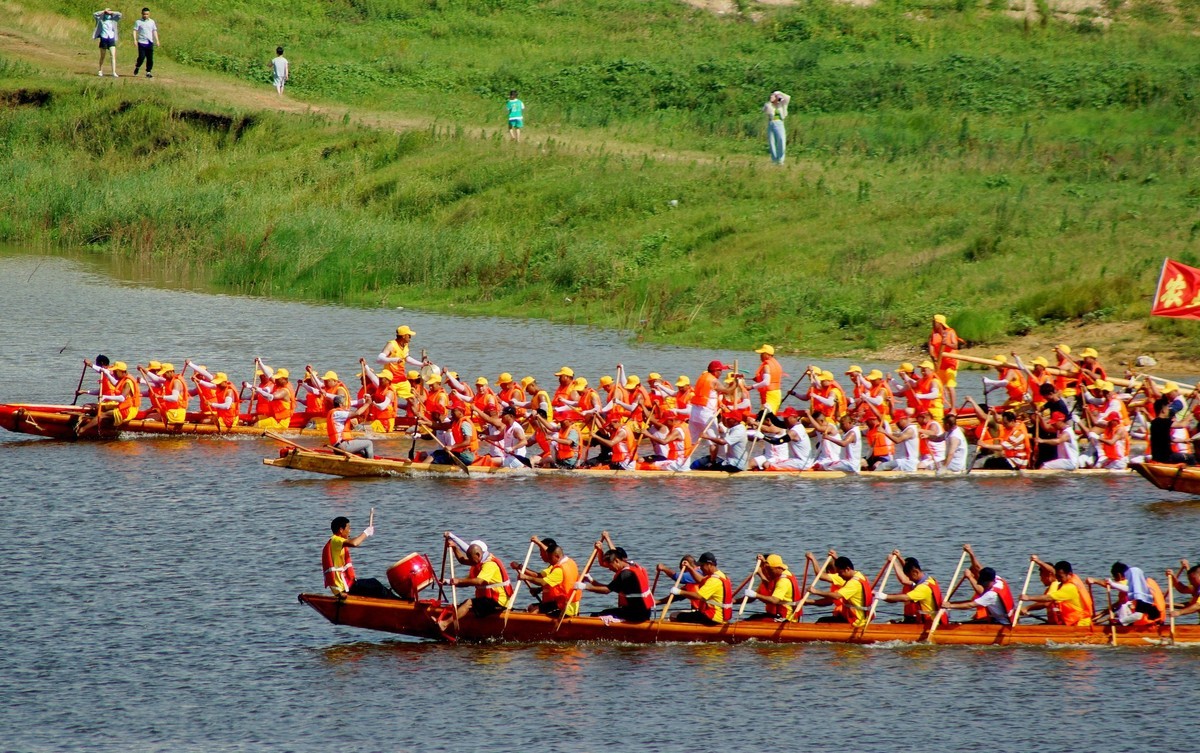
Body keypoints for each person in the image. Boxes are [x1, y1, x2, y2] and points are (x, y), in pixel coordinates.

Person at [437, 533, 513, 631]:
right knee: (462, 605)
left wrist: (457, 581)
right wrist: (448, 582)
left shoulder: (490, 565)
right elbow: (463, 563)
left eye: (471, 558)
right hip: (487, 600)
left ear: (478, 554)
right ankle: (458, 626)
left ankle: (445, 624)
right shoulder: (478, 565)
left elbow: (478, 581)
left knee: (469, 603)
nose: (470, 561)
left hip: (498, 602)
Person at [576, 532, 655, 623]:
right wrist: (591, 580)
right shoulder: (631, 566)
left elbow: (606, 590)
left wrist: (585, 587)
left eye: (610, 566)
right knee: (604, 612)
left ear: (617, 561)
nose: (609, 569)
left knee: (596, 616)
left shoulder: (625, 574)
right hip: (644, 612)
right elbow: (613, 554)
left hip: (636, 615)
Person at [944, 544, 1014, 625]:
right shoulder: (998, 580)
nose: (982, 585)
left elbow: (970, 605)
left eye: (983, 583)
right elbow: (978, 568)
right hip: (999, 618)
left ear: (988, 581)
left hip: (1002, 623)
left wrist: (950, 606)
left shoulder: (991, 595)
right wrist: (971, 553)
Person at [511, 536, 579, 617]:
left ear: (557, 556)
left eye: (550, 558)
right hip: (565, 603)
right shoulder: (570, 562)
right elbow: (558, 584)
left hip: (564, 606)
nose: (549, 561)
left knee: (535, 611)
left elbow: (542, 581)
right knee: (531, 607)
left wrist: (525, 577)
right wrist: (539, 590)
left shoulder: (559, 570)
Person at [1018, 556, 1093, 626]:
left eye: (1060, 577)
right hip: (1071, 622)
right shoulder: (1071, 578)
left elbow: (1048, 599)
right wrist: (1038, 561)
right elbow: (1052, 571)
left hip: (1079, 624)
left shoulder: (1070, 587)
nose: (1058, 579)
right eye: (1057, 576)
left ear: (1069, 574)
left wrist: (1028, 598)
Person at [806, 551, 873, 627]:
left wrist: (815, 591)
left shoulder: (853, 583)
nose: (839, 576)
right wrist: (836, 558)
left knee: (821, 622)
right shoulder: (859, 575)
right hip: (858, 617)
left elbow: (836, 596)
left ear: (847, 569)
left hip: (856, 620)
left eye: (840, 573)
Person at [877, 553, 946, 626]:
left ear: (916, 572)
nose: (909, 579)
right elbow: (898, 597)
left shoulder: (923, 587)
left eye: (909, 576)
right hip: (922, 621)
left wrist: (884, 596)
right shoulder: (929, 580)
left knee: (888, 625)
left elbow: (906, 597)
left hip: (929, 624)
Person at [75, 361, 140, 435]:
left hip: (128, 410)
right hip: (123, 406)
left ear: (122, 372)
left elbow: (122, 398)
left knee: (102, 414)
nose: (114, 373)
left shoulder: (128, 382)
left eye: (116, 371)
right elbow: (115, 383)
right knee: (98, 407)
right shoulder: (123, 379)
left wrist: (105, 397)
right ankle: (88, 418)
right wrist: (106, 374)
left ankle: (82, 430)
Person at [669, 552, 733, 625]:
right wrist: (689, 568)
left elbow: (698, 596)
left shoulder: (714, 580)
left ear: (709, 565)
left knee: (674, 616)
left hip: (711, 617)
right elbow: (701, 580)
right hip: (721, 616)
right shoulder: (720, 575)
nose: (700, 568)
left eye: (702, 565)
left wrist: (679, 592)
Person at [323, 515, 374, 598]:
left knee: (370, 587)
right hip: (343, 586)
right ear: (341, 530)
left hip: (343, 586)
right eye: (348, 528)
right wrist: (366, 533)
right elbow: (354, 543)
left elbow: (352, 541)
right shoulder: (336, 539)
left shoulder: (337, 542)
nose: (349, 531)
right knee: (374, 584)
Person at [743, 553, 802, 622]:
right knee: (754, 617)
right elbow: (770, 585)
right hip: (778, 615)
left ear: (778, 567)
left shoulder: (783, 581)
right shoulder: (784, 573)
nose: (768, 572)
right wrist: (763, 562)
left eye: (770, 570)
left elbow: (774, 600)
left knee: (751, 621)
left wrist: (755, 595)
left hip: (785, 617)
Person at [928, 314, 959, 410]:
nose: (932, 324)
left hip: (951, 363)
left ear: (939, 323)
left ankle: (953, 409)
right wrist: (934, 359)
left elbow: (955, 345)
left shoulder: (950, 332)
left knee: (950, 386)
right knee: (935, 385)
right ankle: (937, 407)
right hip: (940, 364)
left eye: (934, 322)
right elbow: (931, 348)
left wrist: (946, 343)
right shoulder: (933, 334)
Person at [750, 344, 784, 414]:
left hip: (769, 394)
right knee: (771, 415)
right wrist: (758, 379)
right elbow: (772, 379)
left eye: (762, 354)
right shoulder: (776, 363)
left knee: (765, 416)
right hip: (777, 393)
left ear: (767, 354)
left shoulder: (767, 366)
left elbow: (766, 382)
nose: (760, 356)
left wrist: (751, 387)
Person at [93, 8, 122, 77]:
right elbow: (95, 14)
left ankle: (114, 72)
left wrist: (112, 12)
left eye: (109, 14)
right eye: (106, 14)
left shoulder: (114, 20)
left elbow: (120, 14)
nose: (108, 15)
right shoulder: (101, 20)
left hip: (111, 38)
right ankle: (100, 70)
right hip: (104, 38)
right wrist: (104, 11)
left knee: (113, 55)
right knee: (102, 56)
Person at [763, 90, 789, 164]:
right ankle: (774, 160)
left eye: (773, 96)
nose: (771, 97)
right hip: (771, 123)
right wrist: (771, 102)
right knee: (772, 142)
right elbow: (764, 110)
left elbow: (787, 98)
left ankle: (780, 160)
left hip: (779, 123)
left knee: (781, 140)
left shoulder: (782, 105)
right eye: (771, 96)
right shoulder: (768, 105)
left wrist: (778, 94)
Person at [132, 7, 159, 77]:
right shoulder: (138, 22)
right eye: (144, 14)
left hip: (149, 42)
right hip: (141, 42)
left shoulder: (152, 22)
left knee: (150, 58)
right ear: (142, 14)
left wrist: (157, 40)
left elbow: (154, 30)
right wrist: (135, 39)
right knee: (141, 57)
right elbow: (135, 30)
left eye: (147, 14)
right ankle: (137, 66)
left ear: (149, 14)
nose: (145, 15)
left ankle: (148, 72)